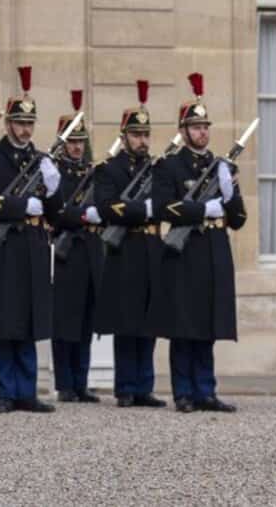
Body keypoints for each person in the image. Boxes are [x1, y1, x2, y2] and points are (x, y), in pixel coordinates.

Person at [149, 73, 246, 413]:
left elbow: (239, 219)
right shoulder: (169, 166)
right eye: (195, 127)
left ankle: (206, 391)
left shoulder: (220, 166)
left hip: (214, 250)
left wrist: (231, 193)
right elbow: (163, 207)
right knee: (184, 325)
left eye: (205, 126)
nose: (202, 132)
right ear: (183, 130)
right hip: (185, 251)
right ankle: (184, 393)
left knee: (207, 325)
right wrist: (202, 209)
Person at [0, 67, 62, 414]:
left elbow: (56, 211)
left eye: (30, 123)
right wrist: (22, 206)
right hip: (5, 245)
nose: (25, 129)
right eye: (20, 122)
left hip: (33, 245)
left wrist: (53, 189)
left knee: (29, 319)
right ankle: (6, 393)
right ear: (8, 123)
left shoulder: (41, 160)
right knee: (4, 318)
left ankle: (27, 392)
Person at [93, 80, 166, 409]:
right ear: (123, 137)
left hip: (151, 249)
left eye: (146, 134)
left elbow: (168, 203)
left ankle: (144, 387)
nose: (142, 140)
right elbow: (107, 207)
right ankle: (124, 387)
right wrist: (143, 210)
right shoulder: (109, 169)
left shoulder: (158, 169)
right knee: (126, 321)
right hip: (125, 250)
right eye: (136, 135)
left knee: (149, 320)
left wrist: (153, 209)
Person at [48, 91, 102, 404]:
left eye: (80, 141)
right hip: (65, 252)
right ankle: (65, 383)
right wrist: (80, 216)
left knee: (85, 322)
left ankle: (81, 382)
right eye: (71, 142)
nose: (77, 147)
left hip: (89, 250)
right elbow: (54, 212)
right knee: (64, 323)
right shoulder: (55, 173)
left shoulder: (92, 172)